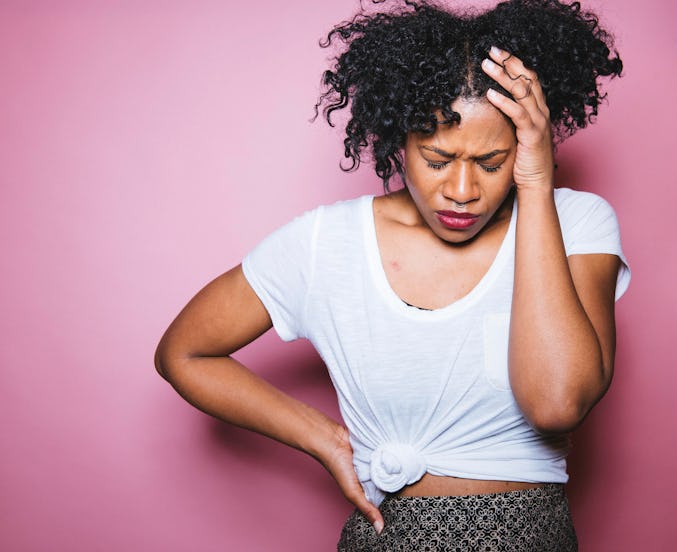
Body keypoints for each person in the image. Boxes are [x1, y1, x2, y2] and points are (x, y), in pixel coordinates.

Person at [155, 0, 629, 549]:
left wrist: (535, 185)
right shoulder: (325, 242)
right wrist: (325, 439)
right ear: (396, 140)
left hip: (528, 535)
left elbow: (557, 403)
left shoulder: (576, 223)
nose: (461, 191)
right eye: (436, 158)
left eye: (492, 163)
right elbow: (183, 353)